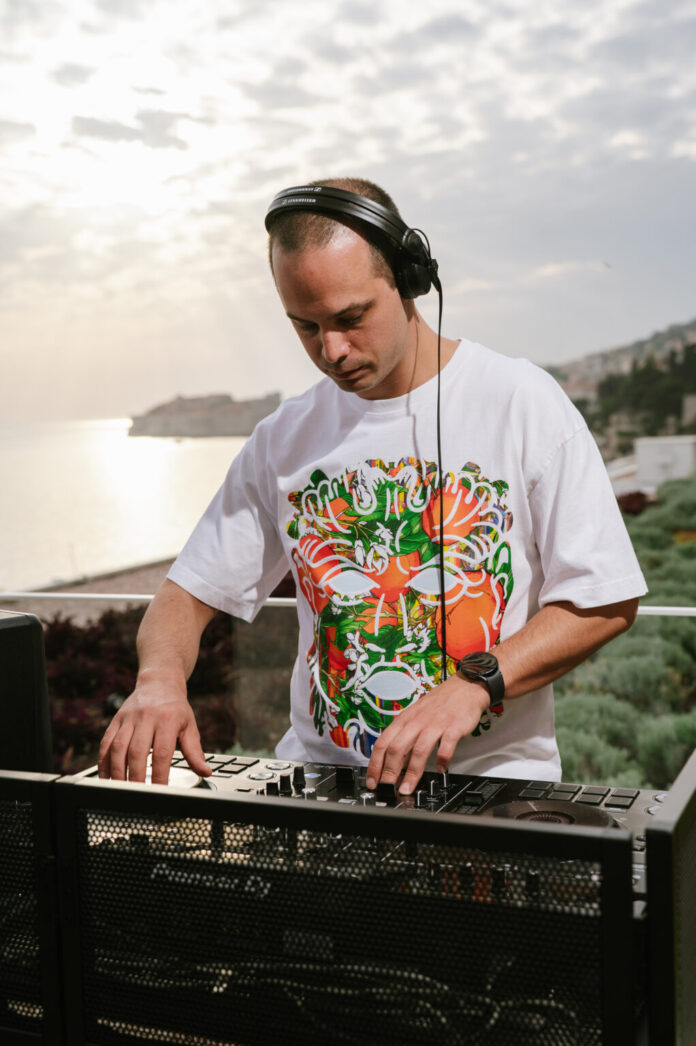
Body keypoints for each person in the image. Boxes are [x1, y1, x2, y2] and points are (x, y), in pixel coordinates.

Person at [98, 177, 646, 792]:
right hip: (319, 787)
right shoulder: (282, 438)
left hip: (493, 790)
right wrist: (159, 682)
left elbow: (603, 601)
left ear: (409, 280)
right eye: (305, 326)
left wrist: (475, 683)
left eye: (351, 317)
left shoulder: (523, 402)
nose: (331, 349)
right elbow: (185, 595)